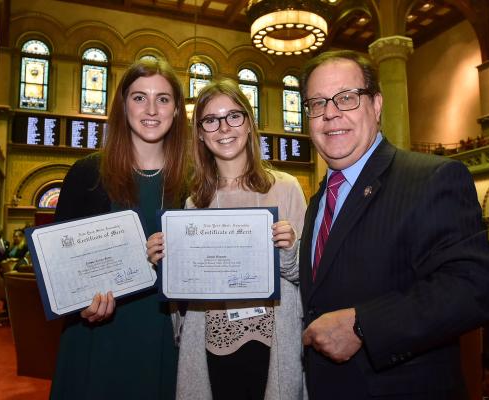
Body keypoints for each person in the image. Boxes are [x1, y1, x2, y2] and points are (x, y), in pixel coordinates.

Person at [297, 50, 489, 399]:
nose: (330, 114)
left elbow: (473, 287)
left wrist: (364, 325)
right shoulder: (318, 201)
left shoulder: (431, 178)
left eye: (346, 98)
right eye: (316, 104)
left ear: (376, 105)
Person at [146, 79, 307, 399]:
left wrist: (290, 250)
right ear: (202, 135)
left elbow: (309, 276)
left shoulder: (287, 187)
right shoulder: (195, 202)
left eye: (234, 116)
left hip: (274, 341)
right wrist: (166, 264)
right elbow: (188, 291)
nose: (224, 128)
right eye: (211, 120)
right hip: (212, 341)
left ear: (249, 123)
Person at [50, 58, 190, 399]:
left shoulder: (194, 181)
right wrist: (80, 303)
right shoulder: (87, 174)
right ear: (123, 105)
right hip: (98, 334)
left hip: (165, 336)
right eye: (139, 97)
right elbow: (59, 266)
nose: (152, 109)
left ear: (176, 110)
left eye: (163, 98)